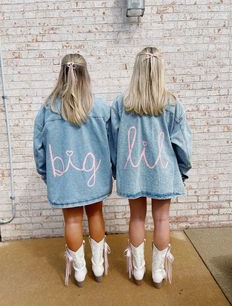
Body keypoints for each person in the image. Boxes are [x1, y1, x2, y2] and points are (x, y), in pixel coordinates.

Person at [111, 47, 192, 288]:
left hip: (132, 171)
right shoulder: (172, 104)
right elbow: (182, 144)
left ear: (136, 70)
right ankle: (157, 274)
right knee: (162, 220)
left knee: (136, 218)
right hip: (164, 172)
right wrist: (182, 169)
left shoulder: (122, 103)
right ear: (160, 70)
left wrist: (117, 169)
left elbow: (112, 139)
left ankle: (137, 271)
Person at [33, 53, 112, 287]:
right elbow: (112, 141)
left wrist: (46, 173)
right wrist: (113, 168)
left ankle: (79, 272)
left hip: (64, 177)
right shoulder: (100, 107)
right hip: (95, 175)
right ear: (85, 74)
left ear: (62, 74)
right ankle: (98, 267)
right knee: (96, 214)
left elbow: (38, 148)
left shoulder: (48, 110)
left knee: (73, 222)